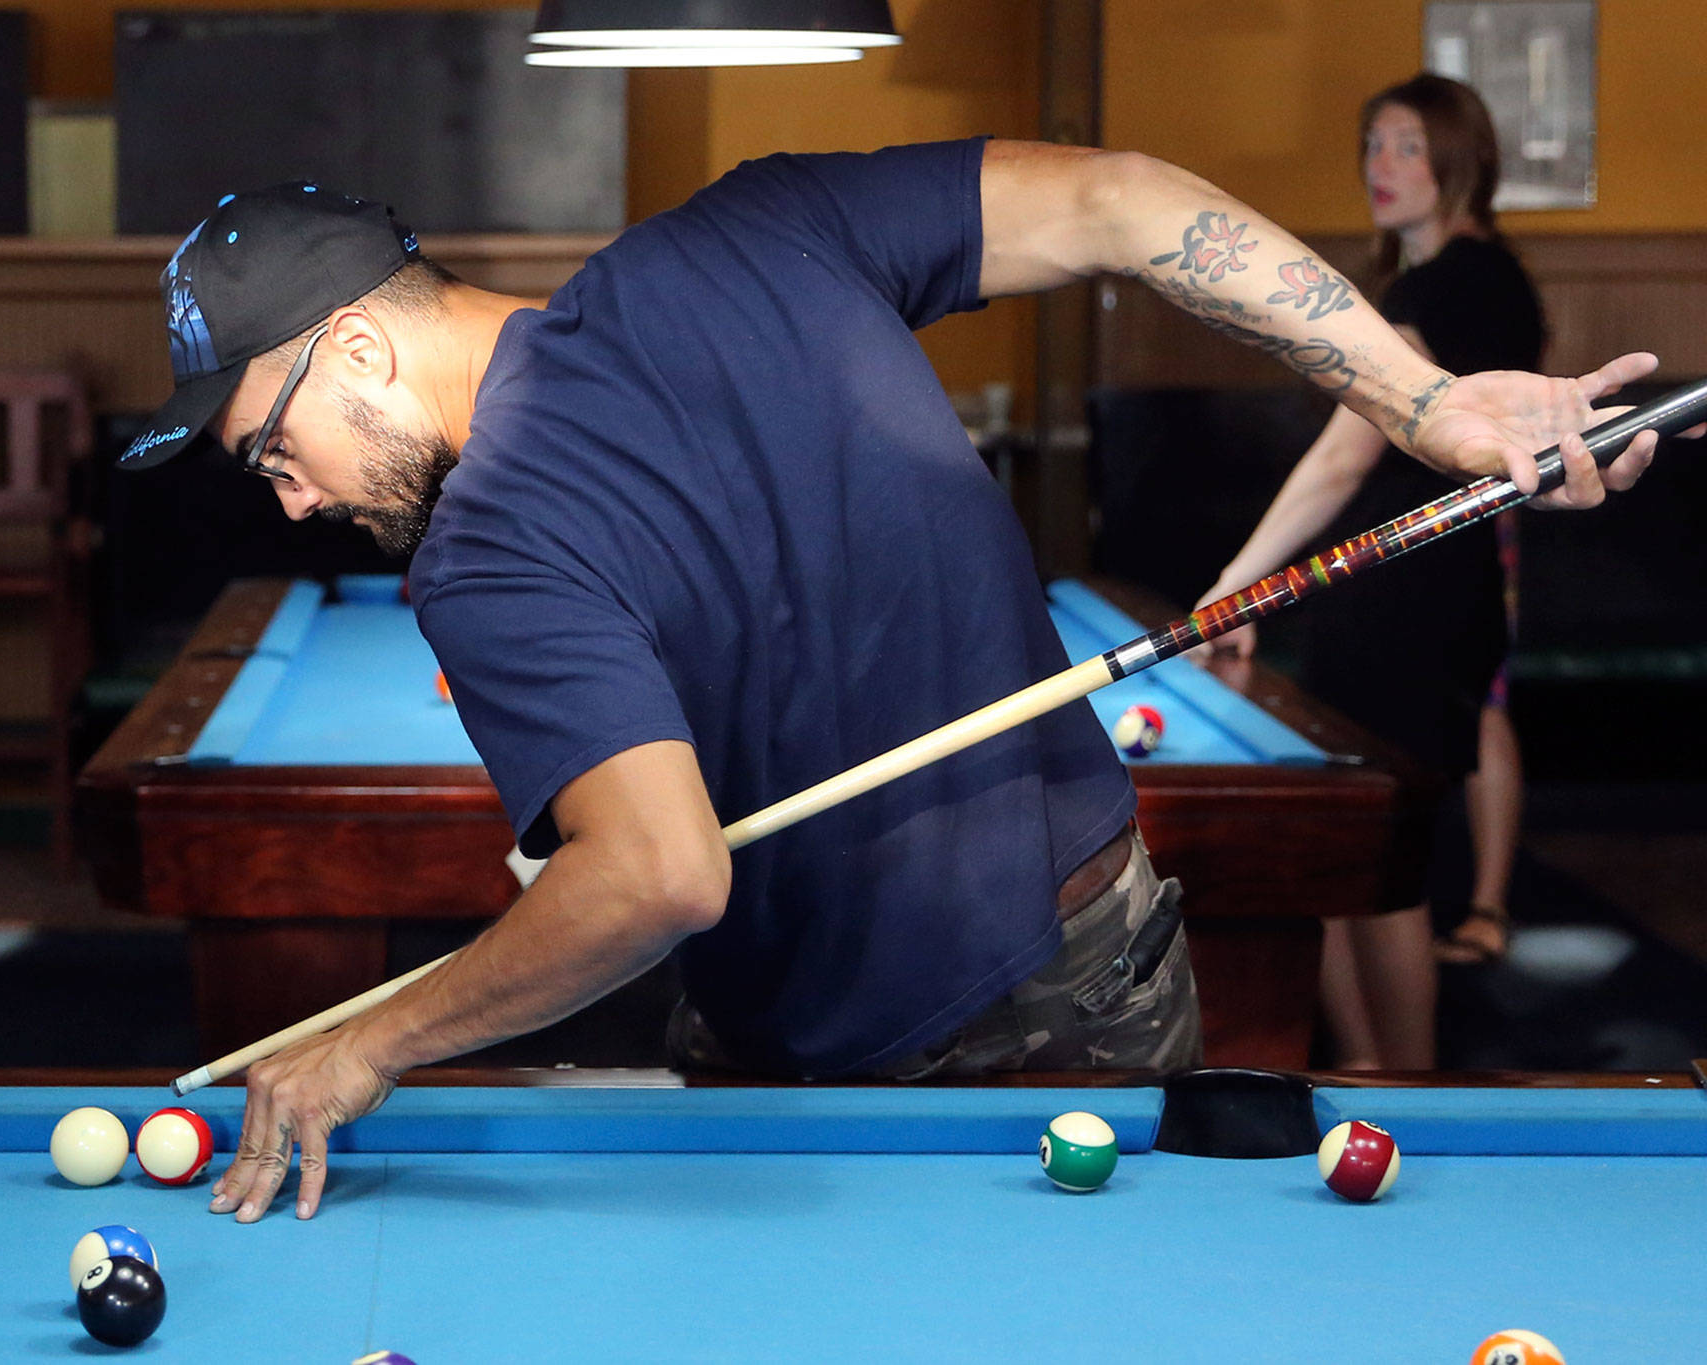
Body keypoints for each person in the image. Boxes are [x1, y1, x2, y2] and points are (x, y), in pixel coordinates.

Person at [120, 138, 1662, 1221]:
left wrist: (368, 1042)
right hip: (1081, 967)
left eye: (267, 445)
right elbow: (1124, 199)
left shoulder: (485, 558)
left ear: (362, 356)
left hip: (853, 1048)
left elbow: (656, 877)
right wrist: (1431, 402)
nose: (288, 497)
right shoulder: (753, 226)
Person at [1196, 75, 1545, 1066]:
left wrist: (1236, 581)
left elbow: (1346, 454)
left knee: (1379, 868)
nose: (1378, 169)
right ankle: (1363, 1072)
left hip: (1415, 603)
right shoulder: (1462, 279)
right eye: (1369, 147)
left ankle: (1403, 1085)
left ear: (1456, 155)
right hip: (1402, 593)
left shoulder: (1450, 286)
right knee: (1349, 861)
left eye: (1402, 146)